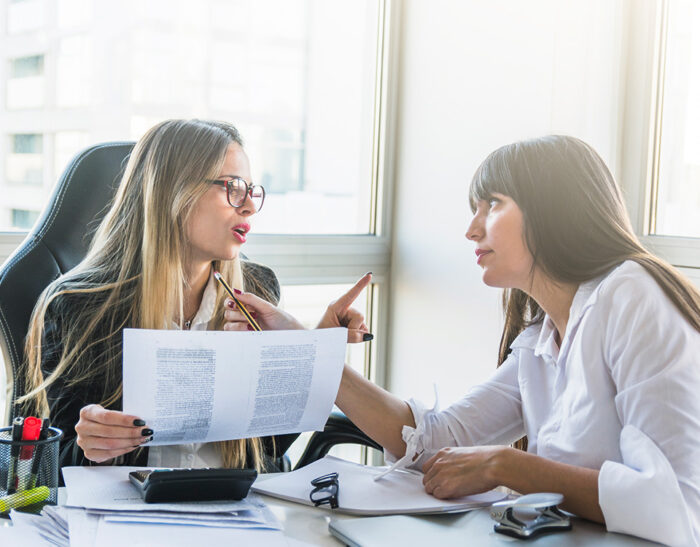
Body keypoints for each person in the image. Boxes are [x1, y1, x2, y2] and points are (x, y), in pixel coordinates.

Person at [233, 135, 700, 546]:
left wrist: (508, 466)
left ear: (553, 207)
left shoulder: (632, 293)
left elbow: (676, 507)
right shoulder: (541, 339)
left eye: (491, 204)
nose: (471, 229)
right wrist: (307, 347)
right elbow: (438, 441)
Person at [18, 118, 370, 472]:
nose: (248, 206)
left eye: (251, 190)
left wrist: (312, 351)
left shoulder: (257, 288)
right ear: (173, 191)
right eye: (232, 186)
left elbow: (267, 447)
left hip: (236, 512)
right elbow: (48, 469)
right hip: (131, 517)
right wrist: (89, 445)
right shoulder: (79, 305)